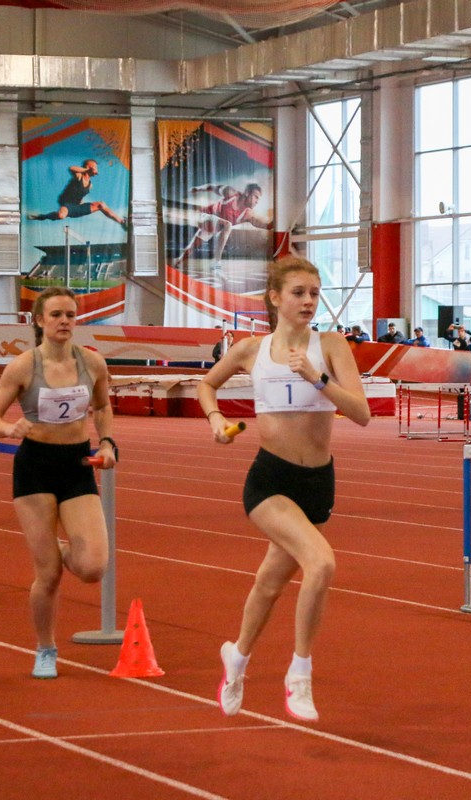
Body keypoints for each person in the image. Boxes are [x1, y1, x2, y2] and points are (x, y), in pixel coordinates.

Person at [197, 256, 370, 723]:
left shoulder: (330, 346)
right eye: (298, 293)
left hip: (317, 482)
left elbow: (361, 413)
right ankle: (299, 675)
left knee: (271, 582)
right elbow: (206, 385)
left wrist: (318, 378)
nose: (308, 301)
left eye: (314, 293)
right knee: (321, 563)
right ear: (275, 298)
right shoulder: (251, 350)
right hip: (270, 480)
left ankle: (237, 658)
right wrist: (215, 419)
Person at [0, 287, 118, 679]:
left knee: (92, 567)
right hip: (35, 468)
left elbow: (103, 407)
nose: (64, 322)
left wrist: (107, 442)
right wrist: (8, 429)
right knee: (50, 574)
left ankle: (57, 547)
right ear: (40, 321)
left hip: (76, 464)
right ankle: (45, 649)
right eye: (56, 315)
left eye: (70, 315)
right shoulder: (23, 366)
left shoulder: (92, 362)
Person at [172, 183, 272, 280]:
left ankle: (178, 260)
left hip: (212, 228)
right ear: (247, 193)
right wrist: (198, 189)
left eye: (259, 199)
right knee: (228, 225)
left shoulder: (248, 215)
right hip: (204, 216)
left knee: (191, 248)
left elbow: (267, 225)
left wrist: (278, 221)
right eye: (256, 197)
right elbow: (212, 187)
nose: (257, 201)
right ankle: (216, 264)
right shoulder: (231, 193)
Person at [28, 158, 127, 229]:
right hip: (68, 206)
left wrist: (81, 203)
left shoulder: (90, 185)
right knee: (61, 216)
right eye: (95, 166)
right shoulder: (79, 176)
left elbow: (80, 195)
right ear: (89, 167)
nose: (97, 169)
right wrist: (87, 170)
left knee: (101, 204)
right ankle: (42, 216)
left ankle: (122, 222)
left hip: (78, 207)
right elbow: (71, 168)